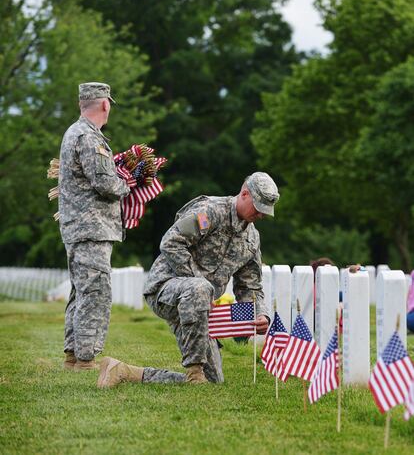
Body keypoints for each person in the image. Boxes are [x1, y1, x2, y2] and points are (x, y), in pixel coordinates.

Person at [97, 172, 279, 387]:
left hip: (201, 307)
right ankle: (194, 370)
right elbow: (171, 243)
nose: (261, 215)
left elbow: (250, 285)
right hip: (166, 289)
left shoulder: (251, 239)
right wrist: (200, 284)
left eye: (265, 211)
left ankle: (123, 371)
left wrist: (260, 313)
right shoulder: (210, 212)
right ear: (245, 193)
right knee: (201, 288)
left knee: (213, 381)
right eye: (258, 207)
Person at [59, 82, 130, 371]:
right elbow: (104, 183)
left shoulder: (74, 133)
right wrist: (129, 184)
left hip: (80, 226)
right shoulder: (89, 137)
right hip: (91, 227)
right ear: (105, 104)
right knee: (96, 291)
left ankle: (73, 355)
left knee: (82, 290)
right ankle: (86, 359)